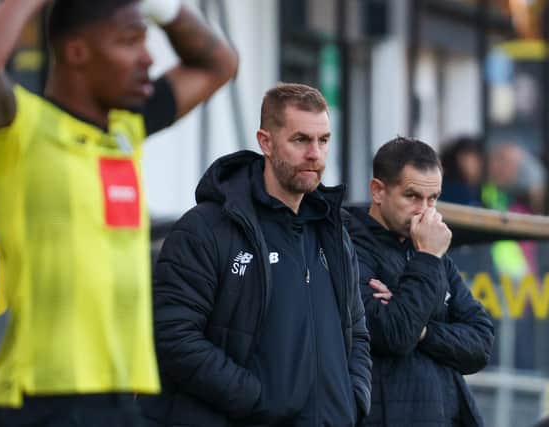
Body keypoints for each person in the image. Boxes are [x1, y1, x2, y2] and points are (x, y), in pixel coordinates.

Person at [0, 0, 238, 425]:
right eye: (129, 42)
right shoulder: (22, 130)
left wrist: (162, 8)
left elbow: (218, 63)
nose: (147, 58)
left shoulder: (124, 132)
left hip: (119, 401)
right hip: (38, 402)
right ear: (77, 51)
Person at [138, 83, 372, 427]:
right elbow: (174, 337)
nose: (315, 155)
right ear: (266, 142)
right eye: (300, 140)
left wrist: (353, 399)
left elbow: (356, 331)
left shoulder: (334, 232)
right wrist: (257, 400)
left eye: (323, 141)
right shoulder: (207, 228)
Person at [344, 137, 494, 426]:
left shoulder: (431, 248)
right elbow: (394, 333)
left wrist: (424, 332)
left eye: (433, 198)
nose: (424, 210)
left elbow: (481, 342)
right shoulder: (348, 246)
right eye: (412, 196)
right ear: (378, 191)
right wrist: (426, 257)